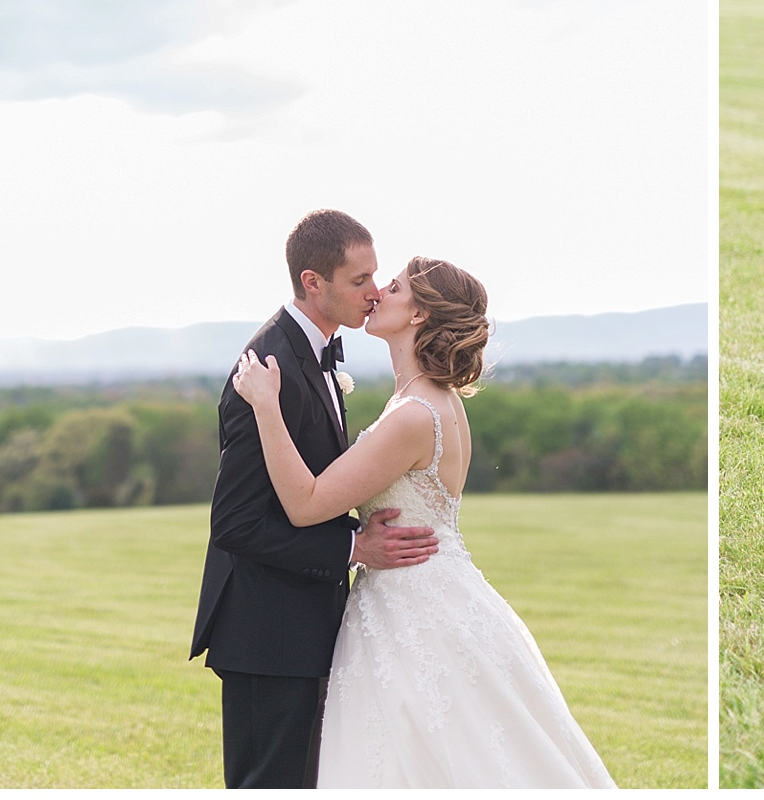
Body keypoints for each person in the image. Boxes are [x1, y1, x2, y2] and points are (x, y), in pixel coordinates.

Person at [232, 255, 617, 788]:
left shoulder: (413, 415)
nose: (377, 292)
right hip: (438, 593)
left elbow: (306, 503)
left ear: (418, 315)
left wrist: (266, 407)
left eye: (392, 286)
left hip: (410, 610)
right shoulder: (439, 402)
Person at [190, 209, 439, 788]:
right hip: (268, 633)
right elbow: (236, 523)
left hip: (308, 624)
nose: (374, 293)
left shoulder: (319, 356)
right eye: (359, 281)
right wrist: (354, 546)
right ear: (312, 282)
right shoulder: (267, 369)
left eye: (376, 277)